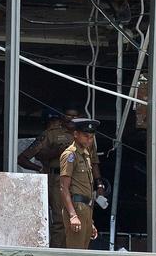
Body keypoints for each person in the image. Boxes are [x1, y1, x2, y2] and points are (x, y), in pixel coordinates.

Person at [19, 105, 104, 247]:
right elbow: (24, 157)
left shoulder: (86, 143)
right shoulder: (53, 134)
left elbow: (94, 162)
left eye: (75, 116)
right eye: (68, 115)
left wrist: (99, 183)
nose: (71, 118)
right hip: (58, 178)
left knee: (83, 227)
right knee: (60, 222)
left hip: (81, 186)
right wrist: (42, 166)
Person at [59, 117, 101, 249]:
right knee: (75, 253)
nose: (89, 139)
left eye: (91, 137)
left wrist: (90, 222)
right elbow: (63, 188)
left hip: (86, 208)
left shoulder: (86, 155)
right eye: (86, 136)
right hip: (76, 207)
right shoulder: (70, 155)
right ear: (76, 134)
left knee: (83, 253)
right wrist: (73, 216)